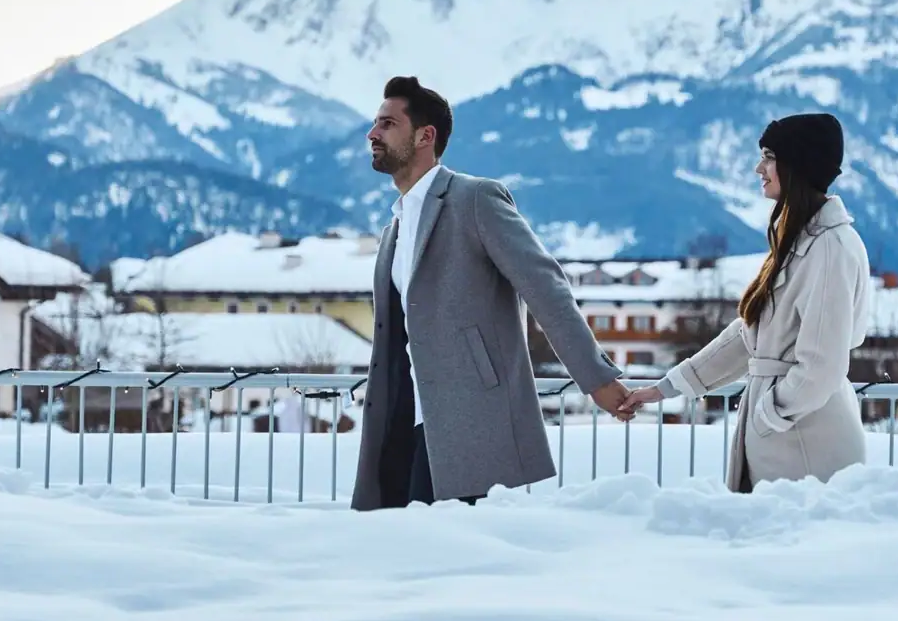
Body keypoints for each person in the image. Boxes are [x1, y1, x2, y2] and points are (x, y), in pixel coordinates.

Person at [351, 76, 632, 510]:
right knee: (404, 562)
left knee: (462, 563)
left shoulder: (474, 199)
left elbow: (546, 287)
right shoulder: (394, 229)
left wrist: (596, 379)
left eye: (387, 124)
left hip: (469, 424)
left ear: (426, 136)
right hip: (402, 427)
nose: (372, 134)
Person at [622, 112, 870, 492]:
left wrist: (769, 414)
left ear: (796, 163)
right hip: (788, 435)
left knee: (798, 547)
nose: (759, 168)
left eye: (769, 157)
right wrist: (665, 389)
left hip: (807, 440)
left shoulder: (829, 247)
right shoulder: (801, 243)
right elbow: (750, 337)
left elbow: (822, 362)